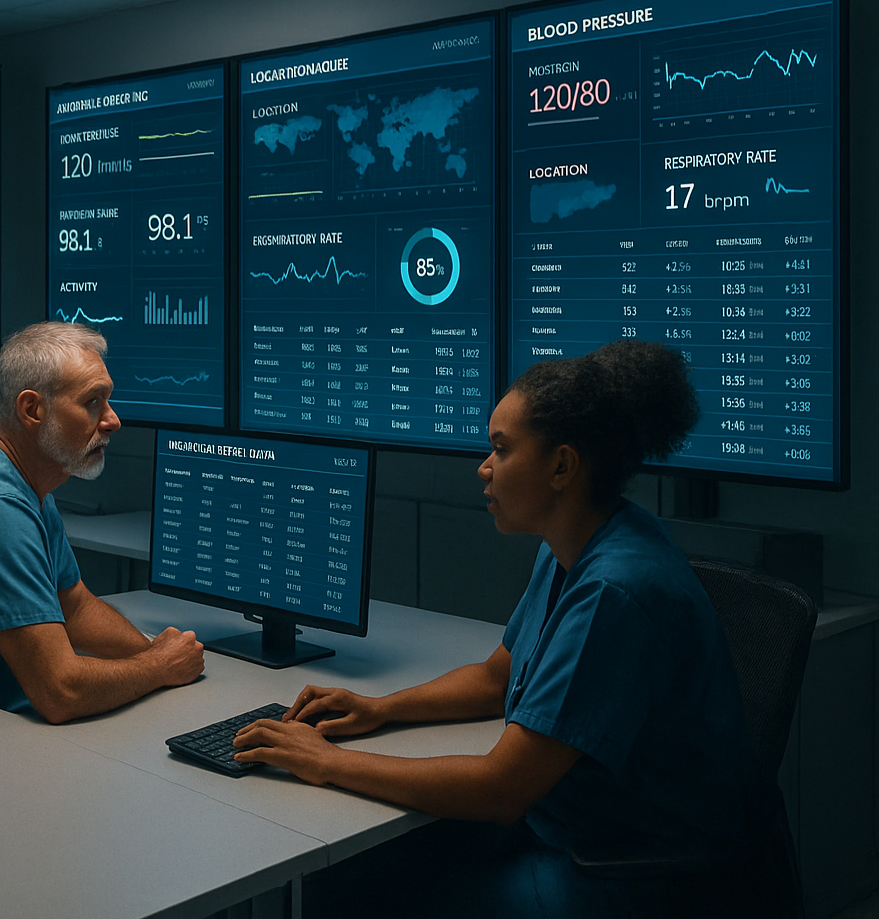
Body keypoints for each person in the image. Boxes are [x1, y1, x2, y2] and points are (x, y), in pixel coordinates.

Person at [232, 340, 752, 917]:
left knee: (356, 896)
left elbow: (502, 789)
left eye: (500, 450)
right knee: (351, 879)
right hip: (569, 827)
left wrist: (326, 762)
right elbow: (494, 678)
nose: (483, 468)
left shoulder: (616, 588)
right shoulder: (572, 548)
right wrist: (381, 708)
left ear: (561, 466)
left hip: (625, 870)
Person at [0, 321, 204, 722]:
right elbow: (61, 691)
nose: (112, 420)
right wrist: (159, 667)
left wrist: (156, 651)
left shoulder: (23, 479)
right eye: (93, 402)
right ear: (32, 410)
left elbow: (75, 607)